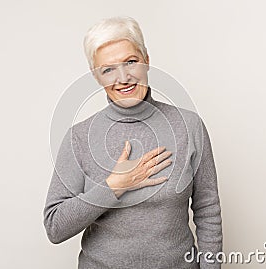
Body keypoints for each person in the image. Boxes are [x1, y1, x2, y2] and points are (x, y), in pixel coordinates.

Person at [43, 16, 223, 269]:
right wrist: (114, 186)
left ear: (147, 61)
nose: (123, 77)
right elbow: (55, 227)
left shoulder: (188, 126)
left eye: (131, 62)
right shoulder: (79, 138)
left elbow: (207, 210)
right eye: (108, 69)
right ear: (96, 77)